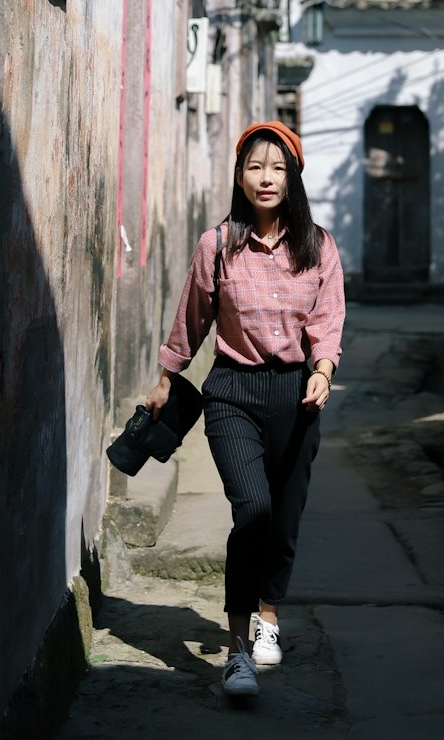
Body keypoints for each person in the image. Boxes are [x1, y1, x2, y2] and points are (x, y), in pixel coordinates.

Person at [145, 120, 345, 700]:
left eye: (278, 168)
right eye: (255, 167)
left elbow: (327, 323)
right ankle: (237, 655)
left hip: (296, 397)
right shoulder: (218, 244)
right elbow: (192, 320)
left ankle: (269, 616)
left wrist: (323, 372)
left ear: (293, 178)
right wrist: (166, 379)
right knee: (252, 510)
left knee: (283, 521)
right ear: (239, 176)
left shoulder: (319, 246)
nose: (266, 178)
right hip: (232, 392)